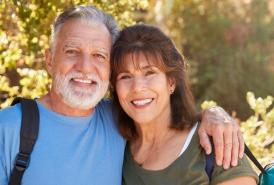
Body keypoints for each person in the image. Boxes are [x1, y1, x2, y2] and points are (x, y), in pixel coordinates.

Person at [0, 5, 245, 185]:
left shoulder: (117, 119)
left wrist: (212, 114)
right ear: (50, 60)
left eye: (99, 55)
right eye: (72, 51)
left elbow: (159, 109)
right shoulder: (9, 128)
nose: (85, 67)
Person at [110, 24, 258, 185]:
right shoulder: (116, 149)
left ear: (171, 82)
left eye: (149, 73)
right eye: (125, 76)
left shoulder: (216, 142)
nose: (137, 87)